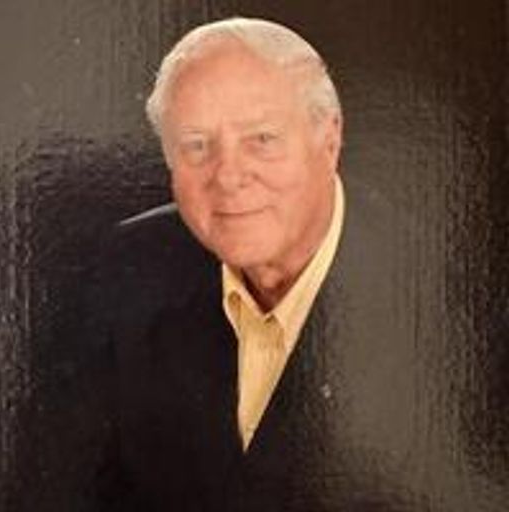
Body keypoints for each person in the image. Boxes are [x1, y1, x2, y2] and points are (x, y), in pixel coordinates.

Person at [95, 16, 495, 512]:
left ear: (329, 140)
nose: (229, 176)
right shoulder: (130, 263)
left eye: (261, 139)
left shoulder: (462, 298)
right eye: (197, 145)